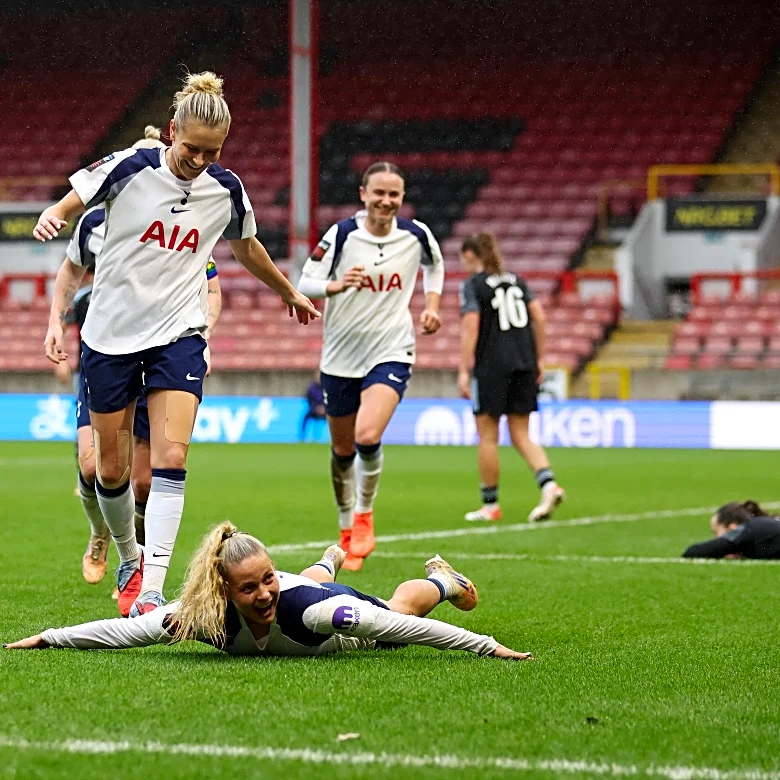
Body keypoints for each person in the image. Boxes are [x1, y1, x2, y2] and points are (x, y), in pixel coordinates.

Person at [37, 72, 318, 618]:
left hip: (178, 336)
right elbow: (72, 201)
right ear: (171, 132)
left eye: (211, 152)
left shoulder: (225, 188)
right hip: (110, 339)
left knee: (170, 459)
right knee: (111, 473)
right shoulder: (129, 168)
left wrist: (290, 292)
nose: (199, 160)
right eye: (191, 148)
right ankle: (127, 556)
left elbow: (247, 245)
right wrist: (55, 213)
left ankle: (152, 590)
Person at [4, 521, 531, 661]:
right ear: (223, 591)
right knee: (301, 586)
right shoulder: (201, 617)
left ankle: (442, 578)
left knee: (392, 607)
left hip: (328, 614)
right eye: (248, 586)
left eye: (266, 578)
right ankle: (323, 561)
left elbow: (403, 625)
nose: (261, 593)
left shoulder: (318, 612)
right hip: (306, 589)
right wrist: (50, 637)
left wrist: (485, 644)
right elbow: (125, 632)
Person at [296, 161, 444, 570]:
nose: (386, 201)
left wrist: (431, 306)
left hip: (392, 348)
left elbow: (435, 265)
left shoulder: (416, 234)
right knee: (342, 450)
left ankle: (364, 515)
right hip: (341, 357)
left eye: (393, 194)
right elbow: (304, 281)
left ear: (402, 197)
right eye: (378, 192)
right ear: (364, 194)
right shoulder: (342, 234)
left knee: (366, 434)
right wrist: (336, 285)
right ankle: (346, 529)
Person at [458, 233, 565, 523]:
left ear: (470, 254)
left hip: (491, 366)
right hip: (524, 363)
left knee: (488, 437)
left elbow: (471, 326)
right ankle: (549, 484)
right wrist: (538, 357)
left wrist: (464, 369)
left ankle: (490, 505)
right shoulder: (516, 280)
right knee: (521, 434)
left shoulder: (473, 285)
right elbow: (539, 317)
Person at [683, 500, 780, 559]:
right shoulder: (764, 526)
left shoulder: (745, 530)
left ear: (732, 528)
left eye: (716, 532)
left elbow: (692, 552)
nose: (717, 538)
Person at [299, 372, 326, 442]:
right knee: (305, 418)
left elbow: (331, 399)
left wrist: (324, 408)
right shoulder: (311, 388)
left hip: (326, 411)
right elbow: (309, 400)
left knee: (334, 418)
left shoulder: (326, 387)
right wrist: (316, 408)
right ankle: (302, 437)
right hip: (314, 410)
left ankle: (336, 438)